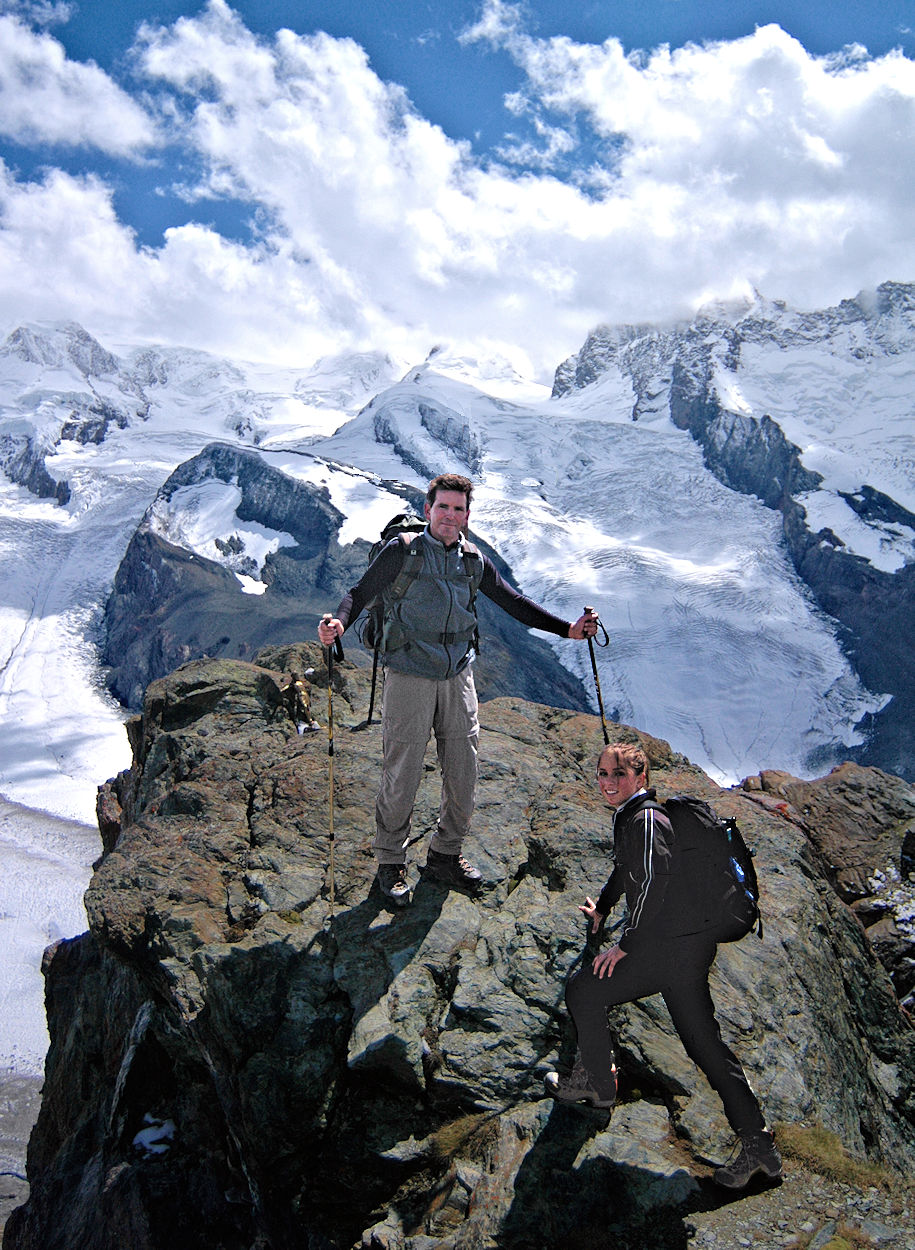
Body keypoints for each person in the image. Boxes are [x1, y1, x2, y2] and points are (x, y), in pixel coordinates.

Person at [318, 472, 597, 906]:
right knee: (403, 771)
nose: (450, 516)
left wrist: (568, 630)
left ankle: (445, 853)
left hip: (457, 675)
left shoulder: (472, 560)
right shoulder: (402, 552)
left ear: (467, 515)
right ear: (428, 510)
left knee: (463, 769)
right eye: (443, 507)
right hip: (409, 673)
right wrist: (338, 624)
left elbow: (513, 603)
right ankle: (390, 862)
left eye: (459, 509)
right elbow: (360, 592)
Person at [545, 741, 782, 1191]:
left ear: (640, 778)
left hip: (667, 949)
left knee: (584, 990)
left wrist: (626, 945)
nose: (608, 783)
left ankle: (598, 1083)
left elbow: (654, 882)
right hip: (684, 947)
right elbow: (626, 869)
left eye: (618, 775)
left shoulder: (647, 820)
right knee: (702, 1043)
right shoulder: (637, 815)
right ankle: (760, 1146)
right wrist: (605, 907)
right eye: (602, 774)